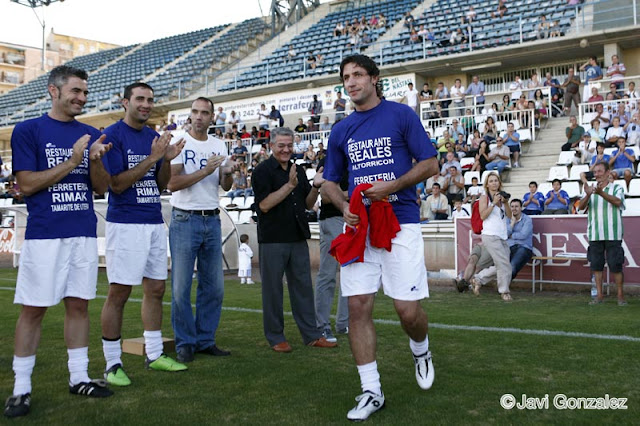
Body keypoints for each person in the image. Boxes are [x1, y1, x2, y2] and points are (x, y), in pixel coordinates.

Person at [322, 54, 438, 421]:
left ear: (374, 78)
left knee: (407, 310)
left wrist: (392, 185)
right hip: (359, 227)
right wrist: (342, 205)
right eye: (346, 77)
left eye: (358, 75)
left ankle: (420, 348)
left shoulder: (401, 115)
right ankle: (371, 390)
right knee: (358, 306)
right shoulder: (340, 130)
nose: (351, 82)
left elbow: (430, 164)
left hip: (400, 220)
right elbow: (328, 183)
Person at [4, 65, 114, 418]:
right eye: (76, 91)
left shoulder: (90, 133)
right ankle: (21, 388)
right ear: (54, 91)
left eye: (85, 92)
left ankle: (79, 377)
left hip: (82, 231)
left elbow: (100, 187)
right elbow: (28, 184)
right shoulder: (28, 130)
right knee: (34, 309)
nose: (82, 98)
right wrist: (73, 161)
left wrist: (94, 160)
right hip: (46, 234)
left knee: (79, 305)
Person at [100, 82, 188, 387]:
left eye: (150, 99)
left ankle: (154, 355)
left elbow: (162, 184)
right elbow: (116, 184)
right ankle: (112, 363)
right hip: (125, 224)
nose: (146, 104)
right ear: (125, 102)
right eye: (140, 99)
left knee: (156, 290)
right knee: (119, 293)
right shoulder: (112, 136)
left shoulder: (153, 136)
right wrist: (153, 158)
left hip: (152, 221)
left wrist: (166, 159)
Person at [251, 127, 336, 353]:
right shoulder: (262, 171)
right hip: (272, 239)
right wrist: (289, 186)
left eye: (289, 145)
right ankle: (276, 337)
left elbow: (308, 204)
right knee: (273, 291)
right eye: (281, 145)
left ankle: (311, 335)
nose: (286, 150)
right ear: (271, 146)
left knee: (303, 289)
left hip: (298, 237)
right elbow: (264, 206)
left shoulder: (296, 169)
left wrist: (316, 186)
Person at [167, 97, 236, 363]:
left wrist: (228, 172)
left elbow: (226, 186)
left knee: (214, 288)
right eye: (195, 112)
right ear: (190, 115)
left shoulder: (219, 144)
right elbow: (172, 183)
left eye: (204, 113)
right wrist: (205, 170)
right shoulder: (180, 142)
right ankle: (185, 341)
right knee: (180, 288)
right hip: (185, 219)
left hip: (212, 218)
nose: (199, 117)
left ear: (212, 117)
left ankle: (205, 339)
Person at [578, 162, 626, 305]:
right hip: (595, 234)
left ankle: (620, 296)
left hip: (613, 234)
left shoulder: (616, 187)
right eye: (595, 172)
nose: (597, 174)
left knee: (615, 265)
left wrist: (601, 193)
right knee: (596, 266)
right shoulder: (590, 189)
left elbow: (618, 202)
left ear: (607, 173)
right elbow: (580, 208)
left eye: (599, 171)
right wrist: (587, 196)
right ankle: (599, 296)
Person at [314, 158, 349, 343]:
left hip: (351, 219)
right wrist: (352, 194)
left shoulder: (355, 158)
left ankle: (343, 322)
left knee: (350, 273)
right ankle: (322, 325)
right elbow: (326, 197)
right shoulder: (328, 161)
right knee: (328, 274)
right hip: (333, 219)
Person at [469, 173, 513, 301]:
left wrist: (506, 203)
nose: (494, 183)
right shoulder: (484, 198)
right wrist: (493, 203)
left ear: (499, 183)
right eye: (491, 181)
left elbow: (510, 216)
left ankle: (478, 279)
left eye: (496, 181)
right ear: (487, 184)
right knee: (504, 265)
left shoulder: (502, 197)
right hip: (490, 235)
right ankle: (504, 292)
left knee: (504, 265)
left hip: (502, 235)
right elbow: (483, 216)